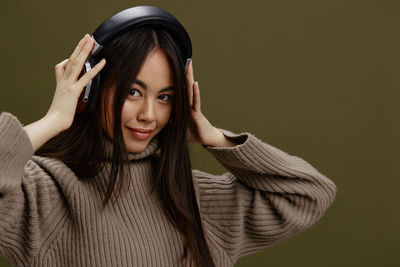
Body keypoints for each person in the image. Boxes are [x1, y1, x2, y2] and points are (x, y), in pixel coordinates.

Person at [0, 25, 337, 267]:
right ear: (92, 89)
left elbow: (308, 193)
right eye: (133, 92)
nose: (149, 115)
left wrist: (212, 136)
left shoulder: (195, 197)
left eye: (164, 98)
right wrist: (55, 119)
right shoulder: (43, 194)